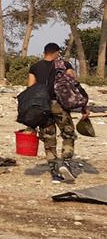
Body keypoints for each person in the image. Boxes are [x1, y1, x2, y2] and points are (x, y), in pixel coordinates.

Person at [27, 43, 89, 183]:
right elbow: (74, 86)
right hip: (60, 106)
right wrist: (84, 105)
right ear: (56, 53)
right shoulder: (65, 65)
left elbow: (30, 89)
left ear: (44, 52)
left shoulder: (35, 67)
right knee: (68, 134)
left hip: (43, 107)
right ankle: (66, 162)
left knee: (49, 139)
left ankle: (55, 173)